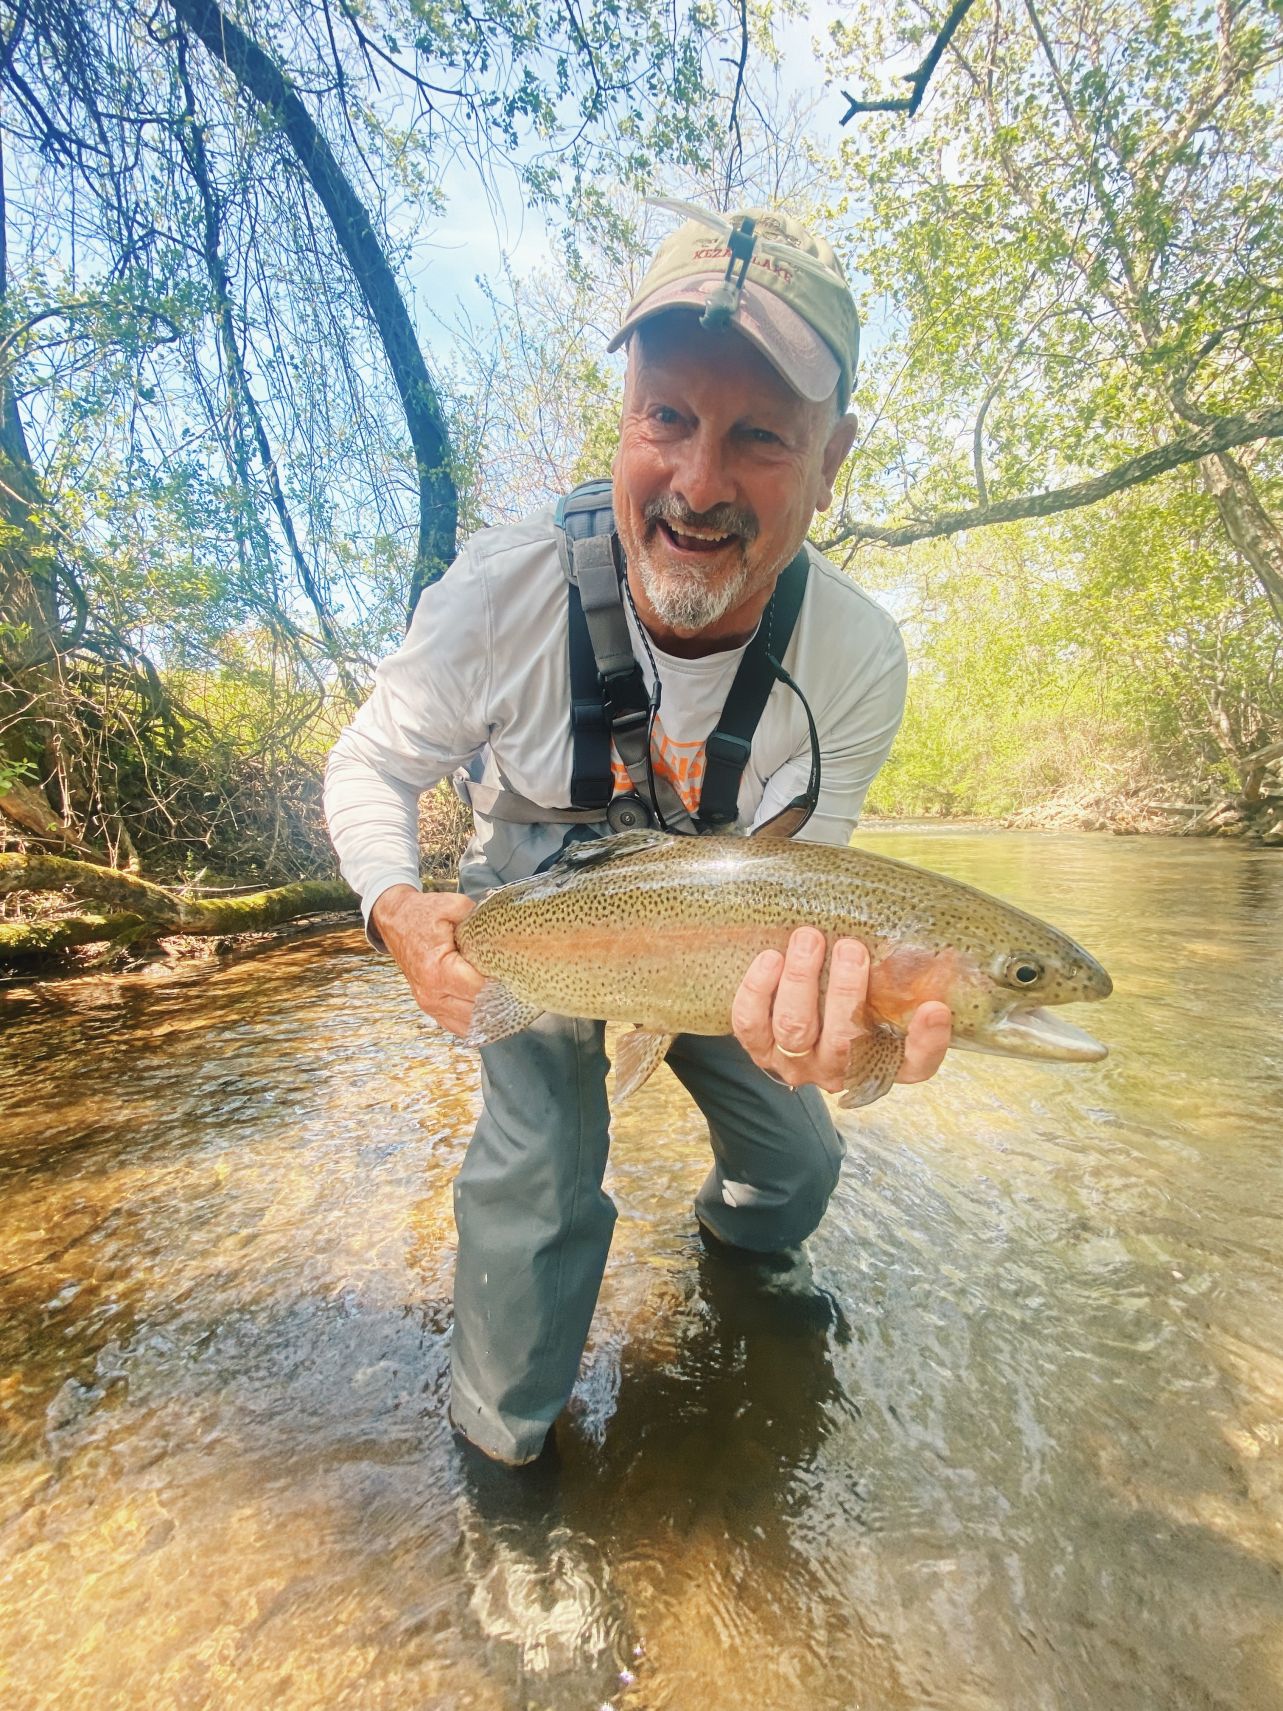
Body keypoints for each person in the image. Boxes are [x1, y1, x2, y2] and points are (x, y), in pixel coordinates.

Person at [324, 206, 953, 1467]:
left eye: (759, 437)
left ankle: (738, 1259)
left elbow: (800, 889)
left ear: (831, 463)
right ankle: (502, 1465)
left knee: (799, 1160)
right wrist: (397, 909)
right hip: (534, 908)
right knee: (544, 1186)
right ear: (623, 416)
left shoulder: (855, 659)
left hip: (724, 924)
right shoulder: (497, 590)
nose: (698, 482)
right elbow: (369, 762)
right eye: (665, 416)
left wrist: (835, 1021)